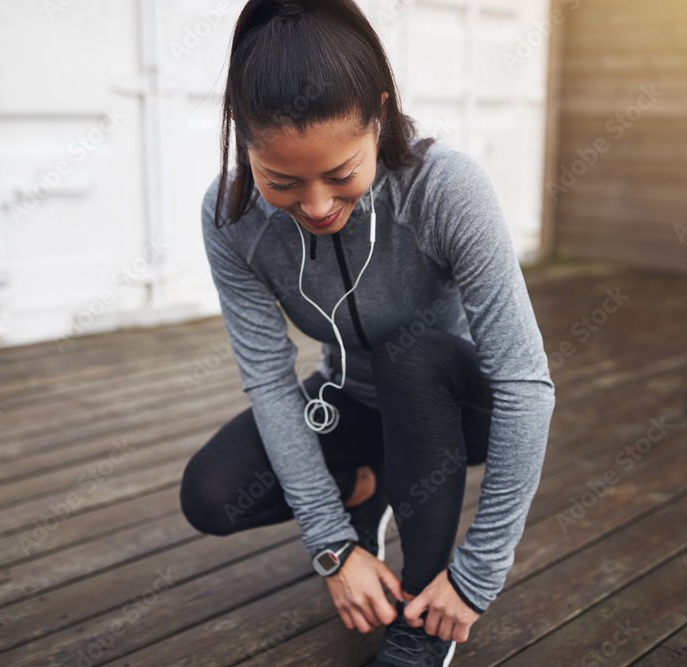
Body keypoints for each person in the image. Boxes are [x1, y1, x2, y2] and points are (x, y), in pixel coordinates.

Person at [179, 1, 556, 665]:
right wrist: (331, 544)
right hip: (350, 399)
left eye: (342, 173)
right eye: (284, 182)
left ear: (379, 115)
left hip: (457, 407)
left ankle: (419, 623)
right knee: (211, 492)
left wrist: (478, 572)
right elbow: (270, 382)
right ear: (242, 135)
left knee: (406, 358)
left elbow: (525, 383)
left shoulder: (444, 189)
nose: (318, 205)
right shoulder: (229, 217)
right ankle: (366, 486)